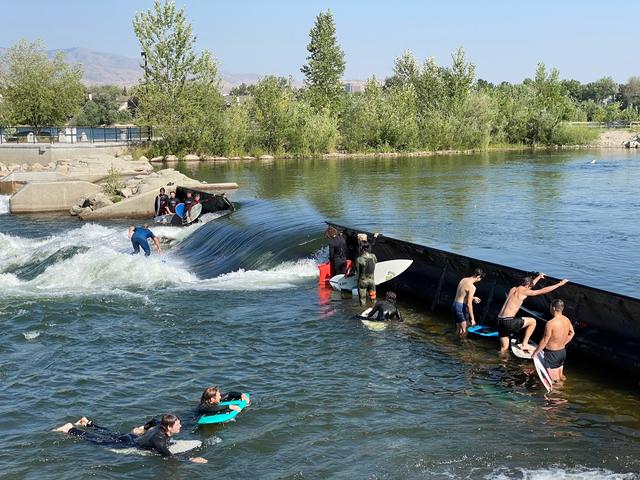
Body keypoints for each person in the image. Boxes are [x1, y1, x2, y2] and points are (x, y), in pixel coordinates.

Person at [53, 414, 207, 463]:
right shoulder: (159, 440)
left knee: (110, 434)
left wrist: (143, 429)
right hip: (130, 442)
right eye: (178, 424)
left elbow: (153, 420)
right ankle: (70, 429)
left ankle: (87, 423)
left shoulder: (162, 425)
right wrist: (191, 459)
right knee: (97, 441)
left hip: (132, 436)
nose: (180, 426)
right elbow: (169, 456)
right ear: (169, 427)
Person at [496, 272, 568, 354]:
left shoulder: (513, 289)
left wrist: (539, 277)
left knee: (504, 348)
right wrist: (559, 284)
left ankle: (503, 363)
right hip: (508, 322)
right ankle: (524, 344)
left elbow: (529, 284)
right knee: (533, 322)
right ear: (527, 286)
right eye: (529, 287)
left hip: (499, 320)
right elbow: (542, 291)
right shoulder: (524, 291)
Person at [532, 299, 575, 382]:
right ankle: (566, 389)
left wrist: (536, 352)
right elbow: (572, 333)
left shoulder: (550, 323)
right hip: (562, 352)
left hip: (552, 354)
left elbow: (545, 340)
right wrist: (564, 343)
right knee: (561, 376)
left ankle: (559, 394)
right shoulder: (566, 319)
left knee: (554, 381)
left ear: (554, 308)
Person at [452, 268, 485, 335]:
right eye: (480, 278)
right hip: (461, 307)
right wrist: (473, 319)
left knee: (459, 329)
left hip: (454, 305)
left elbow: (461, 293)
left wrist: (473, 298)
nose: (480, 280)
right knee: (465, 330)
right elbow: (469, 304)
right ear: (478, 276)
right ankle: (461, 344)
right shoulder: (472, 287)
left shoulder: (463, 279)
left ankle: (453, 343)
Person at [355, 233, 379, 307]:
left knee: (362, 300)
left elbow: (357, 271)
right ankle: (374, 311)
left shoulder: (359, 259)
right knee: (374, 299)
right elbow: (376, 263)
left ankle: (363, 312)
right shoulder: (373, 256)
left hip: (363, 281)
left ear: (361, 248)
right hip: (372, 281)